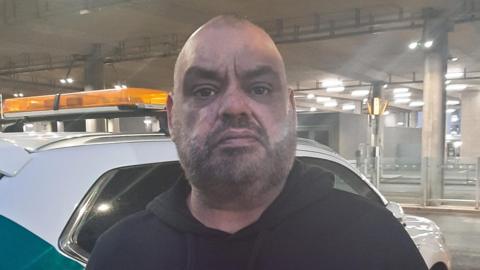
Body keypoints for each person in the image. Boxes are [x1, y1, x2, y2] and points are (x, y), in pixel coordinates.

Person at [87, 15, 428, 270]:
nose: (235, 107)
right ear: (172, 116)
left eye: (260, 88)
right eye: (204, 90)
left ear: (291, 110)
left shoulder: (375, 244)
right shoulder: (119, 254)